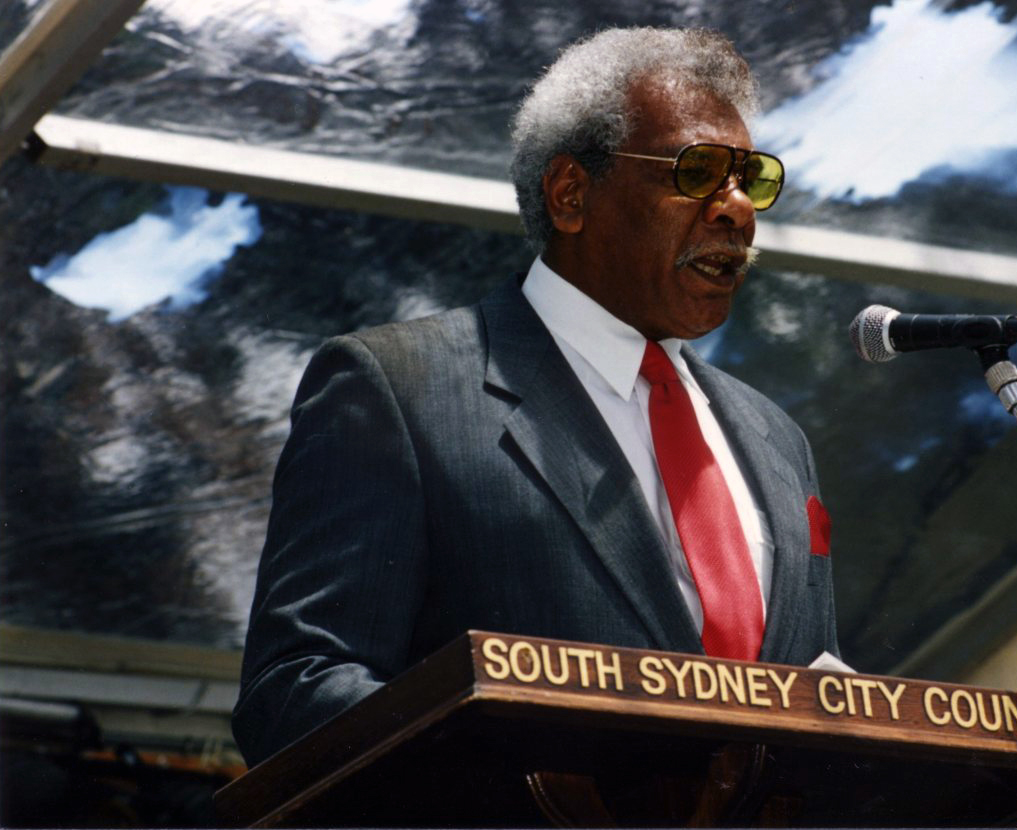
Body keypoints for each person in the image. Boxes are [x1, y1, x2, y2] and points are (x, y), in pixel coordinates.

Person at [232, 26, 839, 768]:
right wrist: (541, 768)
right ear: (571, 193)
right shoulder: (399, 387)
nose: (738, 210)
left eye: (753, 179)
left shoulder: (777, 440)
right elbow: (297, 693)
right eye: (699, 171)